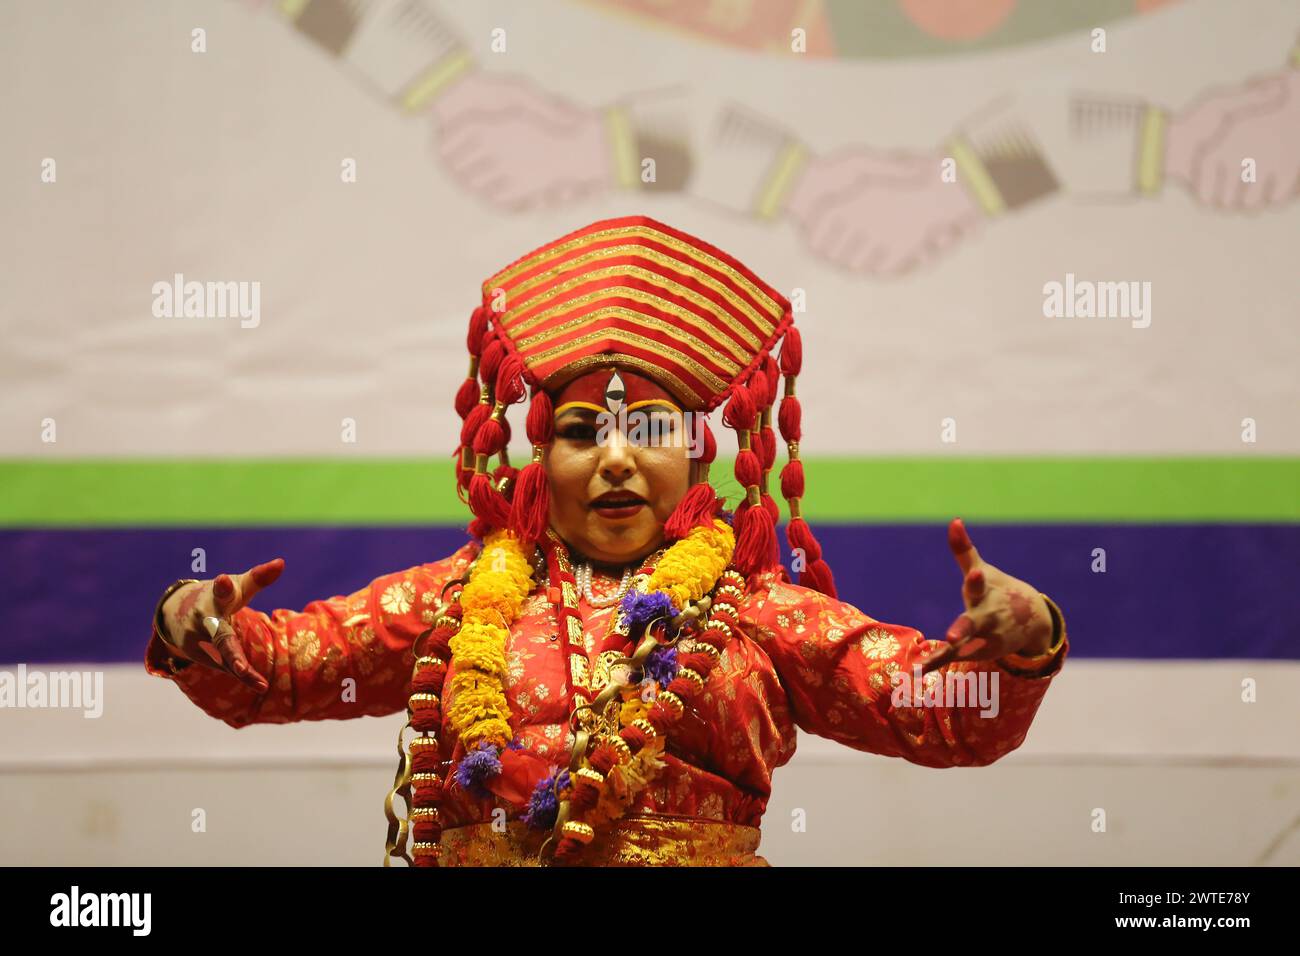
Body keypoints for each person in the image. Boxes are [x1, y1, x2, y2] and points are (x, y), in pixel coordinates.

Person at [146, 214, 1067, 866]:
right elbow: (291, 668)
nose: (618, 460)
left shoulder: (759, 616)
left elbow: (940, 716)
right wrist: (199, 627)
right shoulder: (454, 602)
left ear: (698, 457)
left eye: (653, 431)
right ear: (538, 455)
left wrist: (1025, 639)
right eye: (586, 432)